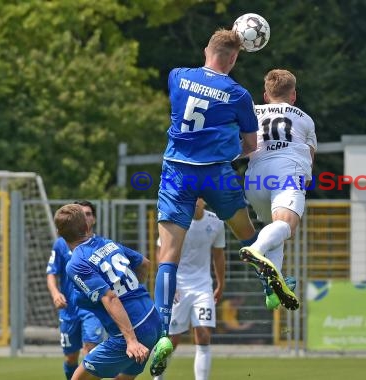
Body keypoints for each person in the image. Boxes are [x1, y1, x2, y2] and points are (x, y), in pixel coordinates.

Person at [153, 27, 269, 376]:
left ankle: (161, 330)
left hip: (177, 172)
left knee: (167, 255)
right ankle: (269, 283)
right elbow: (250, 147)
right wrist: (230, 147)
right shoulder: (238, 94)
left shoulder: (178, 76)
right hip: (214, 173)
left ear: (207, 49)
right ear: (234, 59)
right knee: (248, 236)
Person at [55, 203, 162, 380]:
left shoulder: (76, 263)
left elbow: (109, 297)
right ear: (86, 226)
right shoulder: (107, 243)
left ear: (60, 233)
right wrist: (132, 293)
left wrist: (131, 340)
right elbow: (144, 264)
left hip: (132, 330)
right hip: (152, 317)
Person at [240, 69, 317, 310]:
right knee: (286, 226)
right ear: (293, 95)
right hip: (286, 170)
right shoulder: (304, 118)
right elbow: (310, 157)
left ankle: (273, 288)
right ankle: (255, 249)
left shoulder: (252, 110)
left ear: (266, 94)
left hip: (255, 177)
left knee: (274, 228)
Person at [153, 198, 226, 380]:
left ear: (204, 200)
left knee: (203, 334)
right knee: (171, 340)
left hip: (203, 287)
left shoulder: (216, 222)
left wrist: (220, 283)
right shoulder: (175, 220)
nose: (195, 200)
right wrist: (169, 284)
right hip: (178, 285)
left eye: (199, 197)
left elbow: (218, 255)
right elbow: (161, 253)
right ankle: (158, 378)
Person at [46, 200, 104, 380]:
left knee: (91, 352)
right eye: (81, 214)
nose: (85, 218)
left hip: (92, 309)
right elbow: (51, 273)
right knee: (71, 357)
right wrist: (56, 294)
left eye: (88, 214)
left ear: (93, 219)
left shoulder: (100, 245)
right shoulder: (61, 245)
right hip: (69, 310)